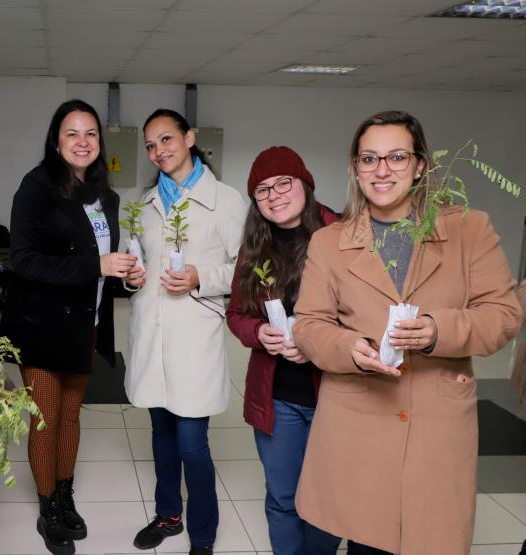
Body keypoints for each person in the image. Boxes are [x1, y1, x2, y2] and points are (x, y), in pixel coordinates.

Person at [292, 110, 522, 554]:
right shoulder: (330, 242)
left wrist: (439, 330)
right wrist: (349, 347)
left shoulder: (468, 229)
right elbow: (309, 325)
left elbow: (503, 314)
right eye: (369, 159)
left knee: (425, 535)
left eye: (397, 157)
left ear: (420, 165)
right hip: (356, 418)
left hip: (435, 422)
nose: (382, 170)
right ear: (355, 168)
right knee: (364, 538)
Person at [0, 99, 136, 555]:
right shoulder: (36, 187)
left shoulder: (106, 196)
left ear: (100, 142)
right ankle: (47, 510)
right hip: (40, 324)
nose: (82, 142)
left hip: (85, 322)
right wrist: (95, 264)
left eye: (91, 133)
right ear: (56, 141)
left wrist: (124, 273)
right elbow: (22, 260)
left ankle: (63, 495)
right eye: (72, 133)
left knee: (72, 416)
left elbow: (105, 265)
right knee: (46, 419)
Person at [124, 108, 247, 555]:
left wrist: (202, 276)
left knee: (193, 443)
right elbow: (133, 260)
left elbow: (246, 271)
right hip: (151, 336)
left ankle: (204, 533)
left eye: (167, 140)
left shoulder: (227, 201)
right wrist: (129, 276)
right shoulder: (143, 205)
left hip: (195, 338)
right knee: (161, 432)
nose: (158, 152)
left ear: (190, 138)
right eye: (150, 146)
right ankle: (168, 514)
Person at [226, 146, 342, 555]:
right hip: (278, 399)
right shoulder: (256, 245)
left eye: (282, 183)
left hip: (335, 397)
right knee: (282, 499)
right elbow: (237, 313)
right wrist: (259, 333)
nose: (273, 195)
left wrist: (319, 345)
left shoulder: (342, 236)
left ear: (305, 184)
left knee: (327, 502)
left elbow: (365, 317)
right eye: (261, 190)